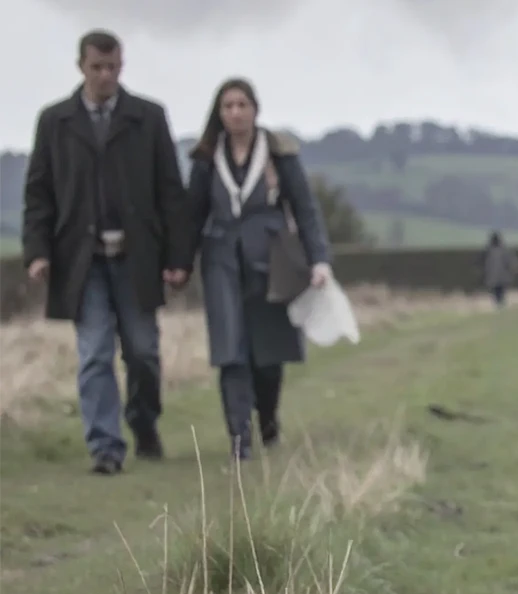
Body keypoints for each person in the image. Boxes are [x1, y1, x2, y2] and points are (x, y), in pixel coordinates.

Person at [22, 29, 189, 475]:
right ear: (81, 66)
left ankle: (143, 421)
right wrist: (37, 251)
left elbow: (171, 192)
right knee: (94, 352)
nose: (105, 75)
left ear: (121, 65)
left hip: (137, 259)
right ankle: (106, 448)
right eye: (97, 67)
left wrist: (177, 258)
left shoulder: (148, 118)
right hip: (82, 261)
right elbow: (39, 193)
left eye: (113, 67)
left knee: (143, 353)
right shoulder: (54, 121)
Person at [184, 78, 333, 461]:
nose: (235, 112)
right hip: (220, 260)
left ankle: (267, 419)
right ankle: (239, 437)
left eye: (242, 105)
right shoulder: (205, 158)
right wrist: (178, 264)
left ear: (255, 109)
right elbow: (192, 214)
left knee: (268, 352)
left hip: (271, 259)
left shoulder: (279, 154)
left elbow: (305, 208)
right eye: (227, 106)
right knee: (230, 349)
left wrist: (319, 260)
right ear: (219, 113)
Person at [481, 230, 518, 307]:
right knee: (501, 293)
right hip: (503, 277)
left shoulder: (488, 251)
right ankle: (501, 305)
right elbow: (511, 261)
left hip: (493, 277)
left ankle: (499, 305)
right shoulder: (504, 249)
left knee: (496, 294)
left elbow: (482, 263)